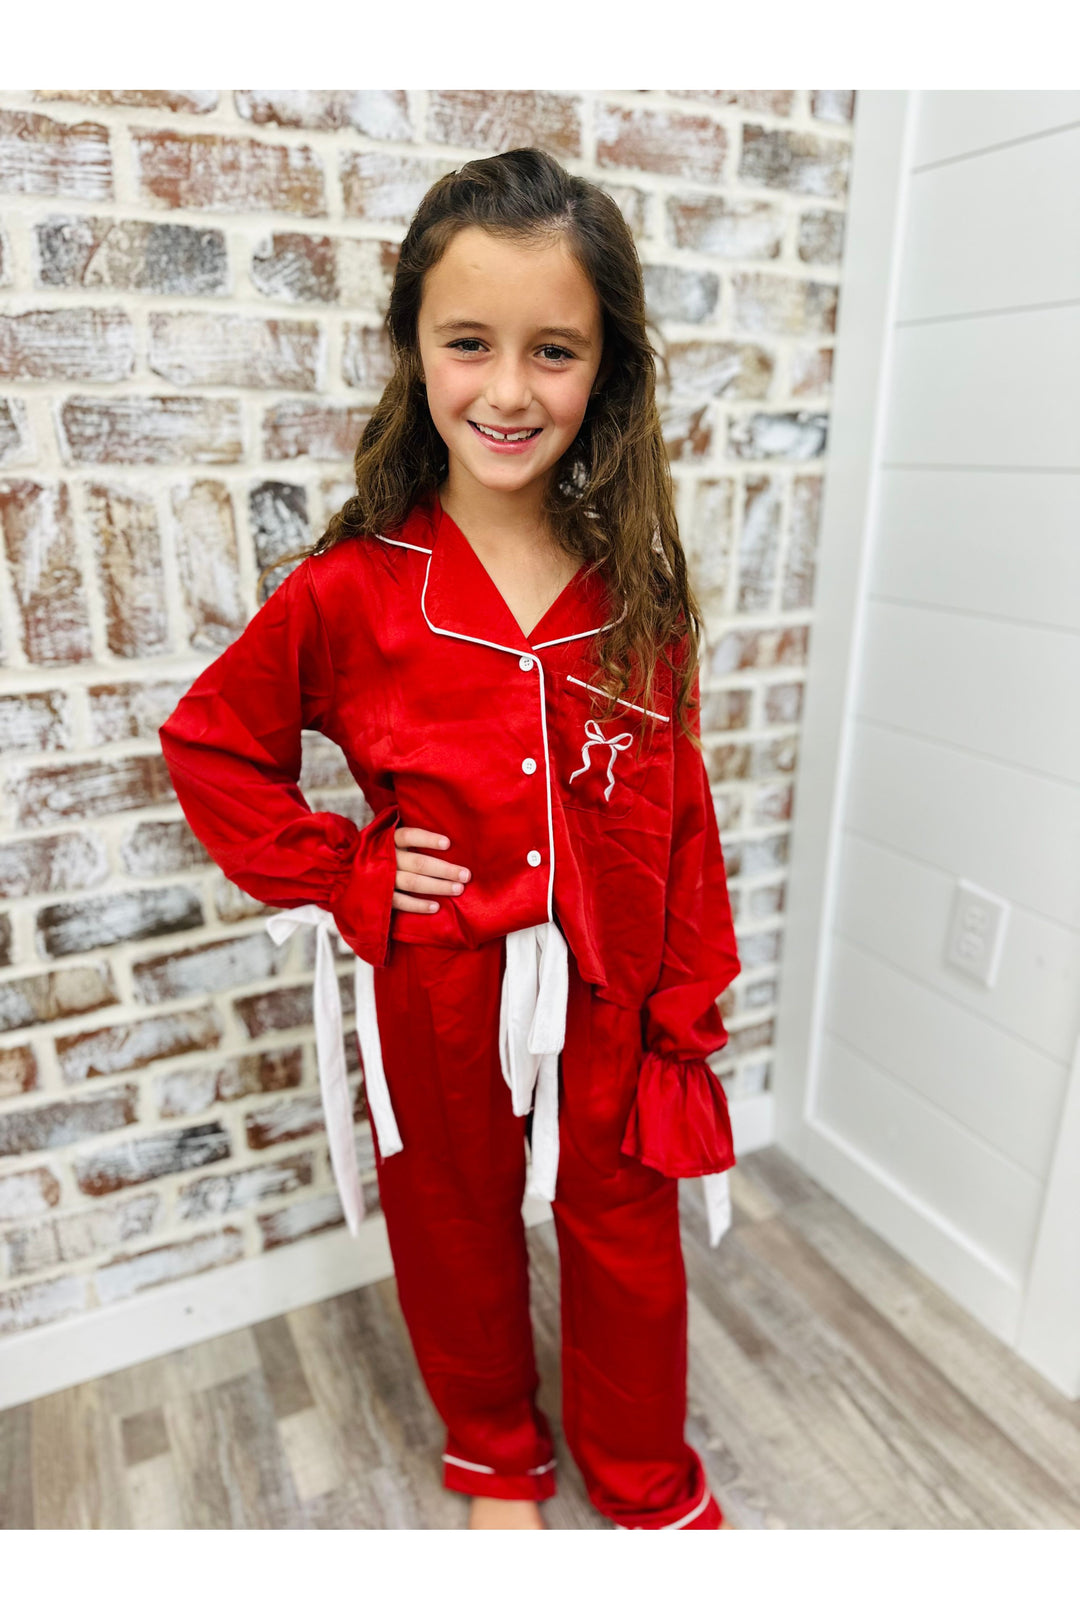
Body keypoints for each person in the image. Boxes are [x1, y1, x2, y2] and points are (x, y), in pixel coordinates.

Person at [158, 147, 741, 1532]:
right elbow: (211, 745)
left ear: (605, 369)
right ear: (416, 349)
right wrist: (344, 872)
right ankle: (492, 1451)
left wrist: (686, 995)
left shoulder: (635, 588)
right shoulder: (354, 591)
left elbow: (684, 801)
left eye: (555, 350)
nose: (509, 388)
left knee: (627, 1227)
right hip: (436, 981)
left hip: (609, 985)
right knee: (455, 1229)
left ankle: (644, 1477)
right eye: (469, 343)